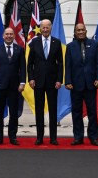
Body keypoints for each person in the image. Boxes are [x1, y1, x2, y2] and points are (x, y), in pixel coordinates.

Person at [27, 18, 64, 146]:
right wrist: (31, 78)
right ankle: (39, 137)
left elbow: (60, 64)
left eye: (47, 27)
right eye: (43, 27)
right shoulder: (34, 42)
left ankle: (53, 137)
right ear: (40, 28)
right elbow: (30, 63)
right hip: (38, 82)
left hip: (53, 82)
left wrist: (59, 80)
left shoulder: (56, 42)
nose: (45, 29)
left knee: (53, 110)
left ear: (51, 28)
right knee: (39, 111)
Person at [65, 22, 98, 146]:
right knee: (76, 112)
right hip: (75, 85)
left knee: (92, 112)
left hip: (91, 84)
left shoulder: (95, 44)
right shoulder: (70, 47)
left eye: (82, 30)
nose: (81, 32)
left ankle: (93, 137)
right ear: (75, 33)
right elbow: (68, 65)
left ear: (86, 31)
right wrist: (68, 81)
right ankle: (78, 137)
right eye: (78, 30)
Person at [0, 26, 25, 145]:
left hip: (15, 87)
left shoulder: (19, 49)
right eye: (7, 34)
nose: (9, 36)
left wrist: (22, 82)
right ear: (3, 36)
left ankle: (13, 136)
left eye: (11, 34)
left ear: (14, 36)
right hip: (0, 86)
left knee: (13, 113)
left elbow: (23, 68)